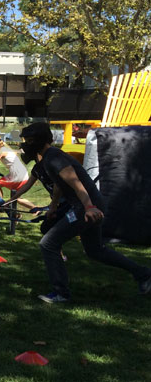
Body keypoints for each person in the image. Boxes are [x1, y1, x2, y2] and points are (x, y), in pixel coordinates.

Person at [17, 122, 151, 303]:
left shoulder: (54, 157)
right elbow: (59, 185)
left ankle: (61, 293)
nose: (27, 144)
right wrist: (54, 207)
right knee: (95, 250)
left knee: (48, 244)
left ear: (39, 140)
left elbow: (75, 182)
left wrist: (88, 207)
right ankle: (144, 274)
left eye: (30, 140)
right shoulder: (49, 158)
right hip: (87, 205)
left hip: (86, 207)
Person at [0, 137, 37, 212]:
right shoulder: (6, 149)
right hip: (22, 173)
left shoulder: (1, 152)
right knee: (16, 197)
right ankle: (35, 208)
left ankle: (0, 205)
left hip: (17, 175)